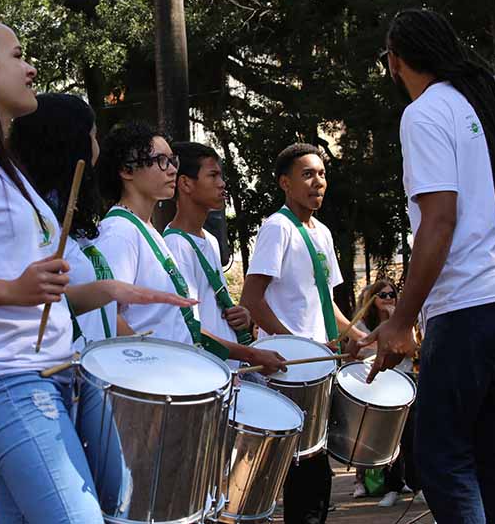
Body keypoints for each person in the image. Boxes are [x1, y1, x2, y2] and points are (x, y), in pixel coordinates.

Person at [0, 16, 194, 524]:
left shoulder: (0, 165)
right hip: (3, 381)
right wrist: (11, 288)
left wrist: (107, 290)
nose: (31, 69)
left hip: (53, 375)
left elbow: (34, 295)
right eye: (18, 55)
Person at [360, 9, 495, 524]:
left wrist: (398, 319)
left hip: (469, 307)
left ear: (394, 60)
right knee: (493, 451)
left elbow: (438, 222)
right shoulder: (474, 105)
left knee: (440, 458)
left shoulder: (423, 113)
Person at [240, 142, 367, 524]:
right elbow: (252, 299)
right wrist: (293, 345)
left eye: (322, 174)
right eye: (307, 174)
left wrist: (358, 334)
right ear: (285, 183)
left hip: (320, 365)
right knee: (301, 466)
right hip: (291, 367)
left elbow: (326, 304)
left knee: (317, 465)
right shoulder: (277, 228)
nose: (318, 182)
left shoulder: (323, 233)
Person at [95, 121, 285, 372]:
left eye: (172, 160)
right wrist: (146, 367)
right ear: (127, 170)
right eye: (161, 161)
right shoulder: (119, 232)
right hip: (155, 384)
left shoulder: (147, 232)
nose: (172, 169)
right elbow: (106, 314)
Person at [11, 93, 129, 350]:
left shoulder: (68, 216)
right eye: (94, 135)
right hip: (55, 371)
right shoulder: (35, 220)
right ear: (74, 143)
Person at [163, 141, 253, 369]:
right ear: (185, 183)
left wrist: (242, 316)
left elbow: (211, 310)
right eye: (213, 176)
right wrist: (253, 354)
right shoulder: (175, 245)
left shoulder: (209, 240)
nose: (222, 184)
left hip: (226, 371)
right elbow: (189, 326)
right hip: (206, 373)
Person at [356, 280, 422, 508]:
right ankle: (392, 487)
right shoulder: (363, 325)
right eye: (382, 294)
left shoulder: (404, 323)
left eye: (392, 294)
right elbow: (352, 351)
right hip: (377, 387)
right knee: (387, 441)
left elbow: (412, 349)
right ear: (372, 299)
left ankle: (418, 486)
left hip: (404, 384)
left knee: (411, 438)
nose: (388, 298)